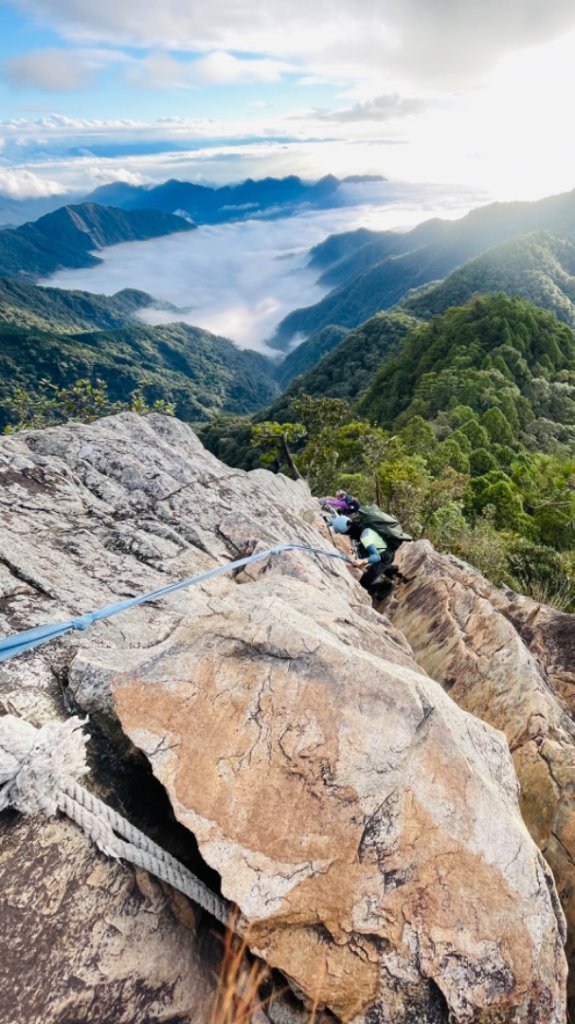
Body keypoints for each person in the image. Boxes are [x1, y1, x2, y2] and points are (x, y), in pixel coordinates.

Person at [328, 513, 397, 601]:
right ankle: (391, 569)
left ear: (346, 531)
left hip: (385, 556)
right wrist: (331, 522)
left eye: (342, 533)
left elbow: (376, 557)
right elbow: (340, 521)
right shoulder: (353, 522)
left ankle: (387, 584)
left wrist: (363, 561)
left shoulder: (365, 536)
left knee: (364, 582)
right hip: (377, 547)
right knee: (364, 558)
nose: (342, 534)